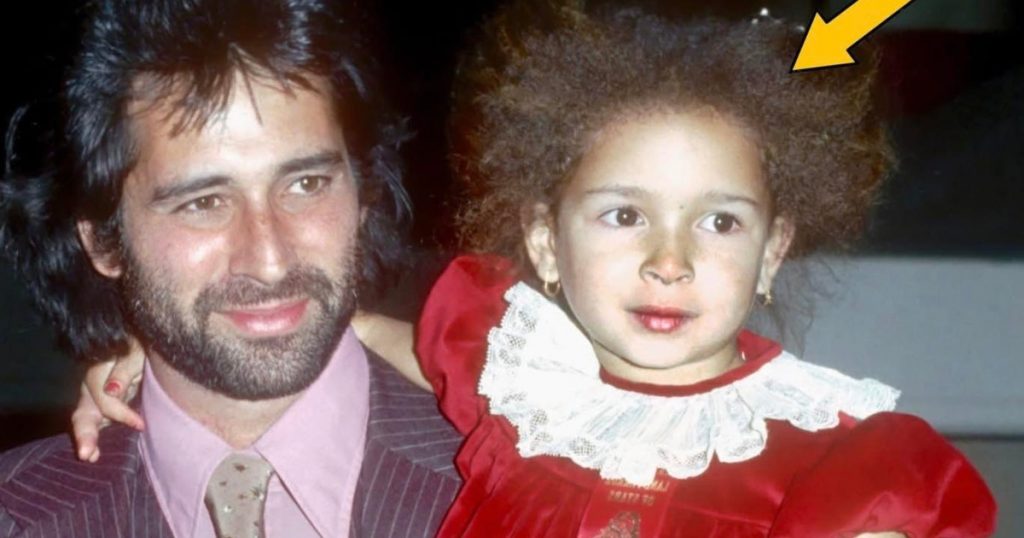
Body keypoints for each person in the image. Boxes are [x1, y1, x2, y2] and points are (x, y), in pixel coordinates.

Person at [74, 2, 999, 537]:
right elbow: (335, 324)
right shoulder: (518, 378)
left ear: (775, 248)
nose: (669, 261)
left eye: (720, 221)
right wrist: (154, 349)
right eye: (624, 215)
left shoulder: (834, 458)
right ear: (547, 243)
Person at [0, 0, 461, 536]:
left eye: (306, 184)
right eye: (204, 203)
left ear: (364, 197)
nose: (269, 261)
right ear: (105, 244)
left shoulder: (531, 464)